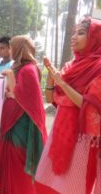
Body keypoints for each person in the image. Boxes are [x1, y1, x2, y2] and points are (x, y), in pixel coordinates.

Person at [35, 17, 101, 194]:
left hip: (82, 137)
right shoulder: (70, 66)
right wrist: (51, 77)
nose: (73, 37)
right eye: (74, 33)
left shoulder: (98, 67)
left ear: (95, 38)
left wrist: (62, 83)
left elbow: (91, 106)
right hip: (60, 131)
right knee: (53, 181)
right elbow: (51, 99)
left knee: (75, 184)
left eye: (80, 33)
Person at [0, 35, 47, 194]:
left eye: (13, 46)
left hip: (20, 125)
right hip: (10, 122)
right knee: (10, 160)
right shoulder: (17, 66)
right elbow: (11, 90)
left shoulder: (29, 69)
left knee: (17, 161)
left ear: (21, 48)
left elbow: (23, 96)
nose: (11, 49)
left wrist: (10, 78)